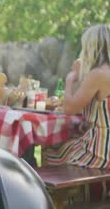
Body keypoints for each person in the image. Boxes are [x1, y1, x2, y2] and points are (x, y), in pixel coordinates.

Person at [44, 24, 110, 200]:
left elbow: (69, 108)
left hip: (102, 151)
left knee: (51, 150)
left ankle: (60, 201)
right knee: (70, 141)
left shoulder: (99, 73)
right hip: (103, 143)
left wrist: (70, 79)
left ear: (92, 46)